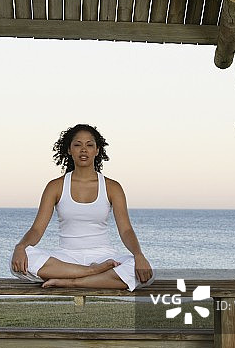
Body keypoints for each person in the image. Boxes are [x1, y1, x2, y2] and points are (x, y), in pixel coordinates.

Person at [10, 124, 155, 290]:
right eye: (78, 145)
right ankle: (92, 273)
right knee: (22, 259)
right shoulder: (55, 186)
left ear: (97, 150)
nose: (84, 150)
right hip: (66, 257)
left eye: (89, 145)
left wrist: (138, 255)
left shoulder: (112, 187)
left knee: (142, 271)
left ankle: (72, 281)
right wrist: (20, 247)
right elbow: (36, 230)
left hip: (103, 256)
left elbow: (126, 230)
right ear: (69, 150)